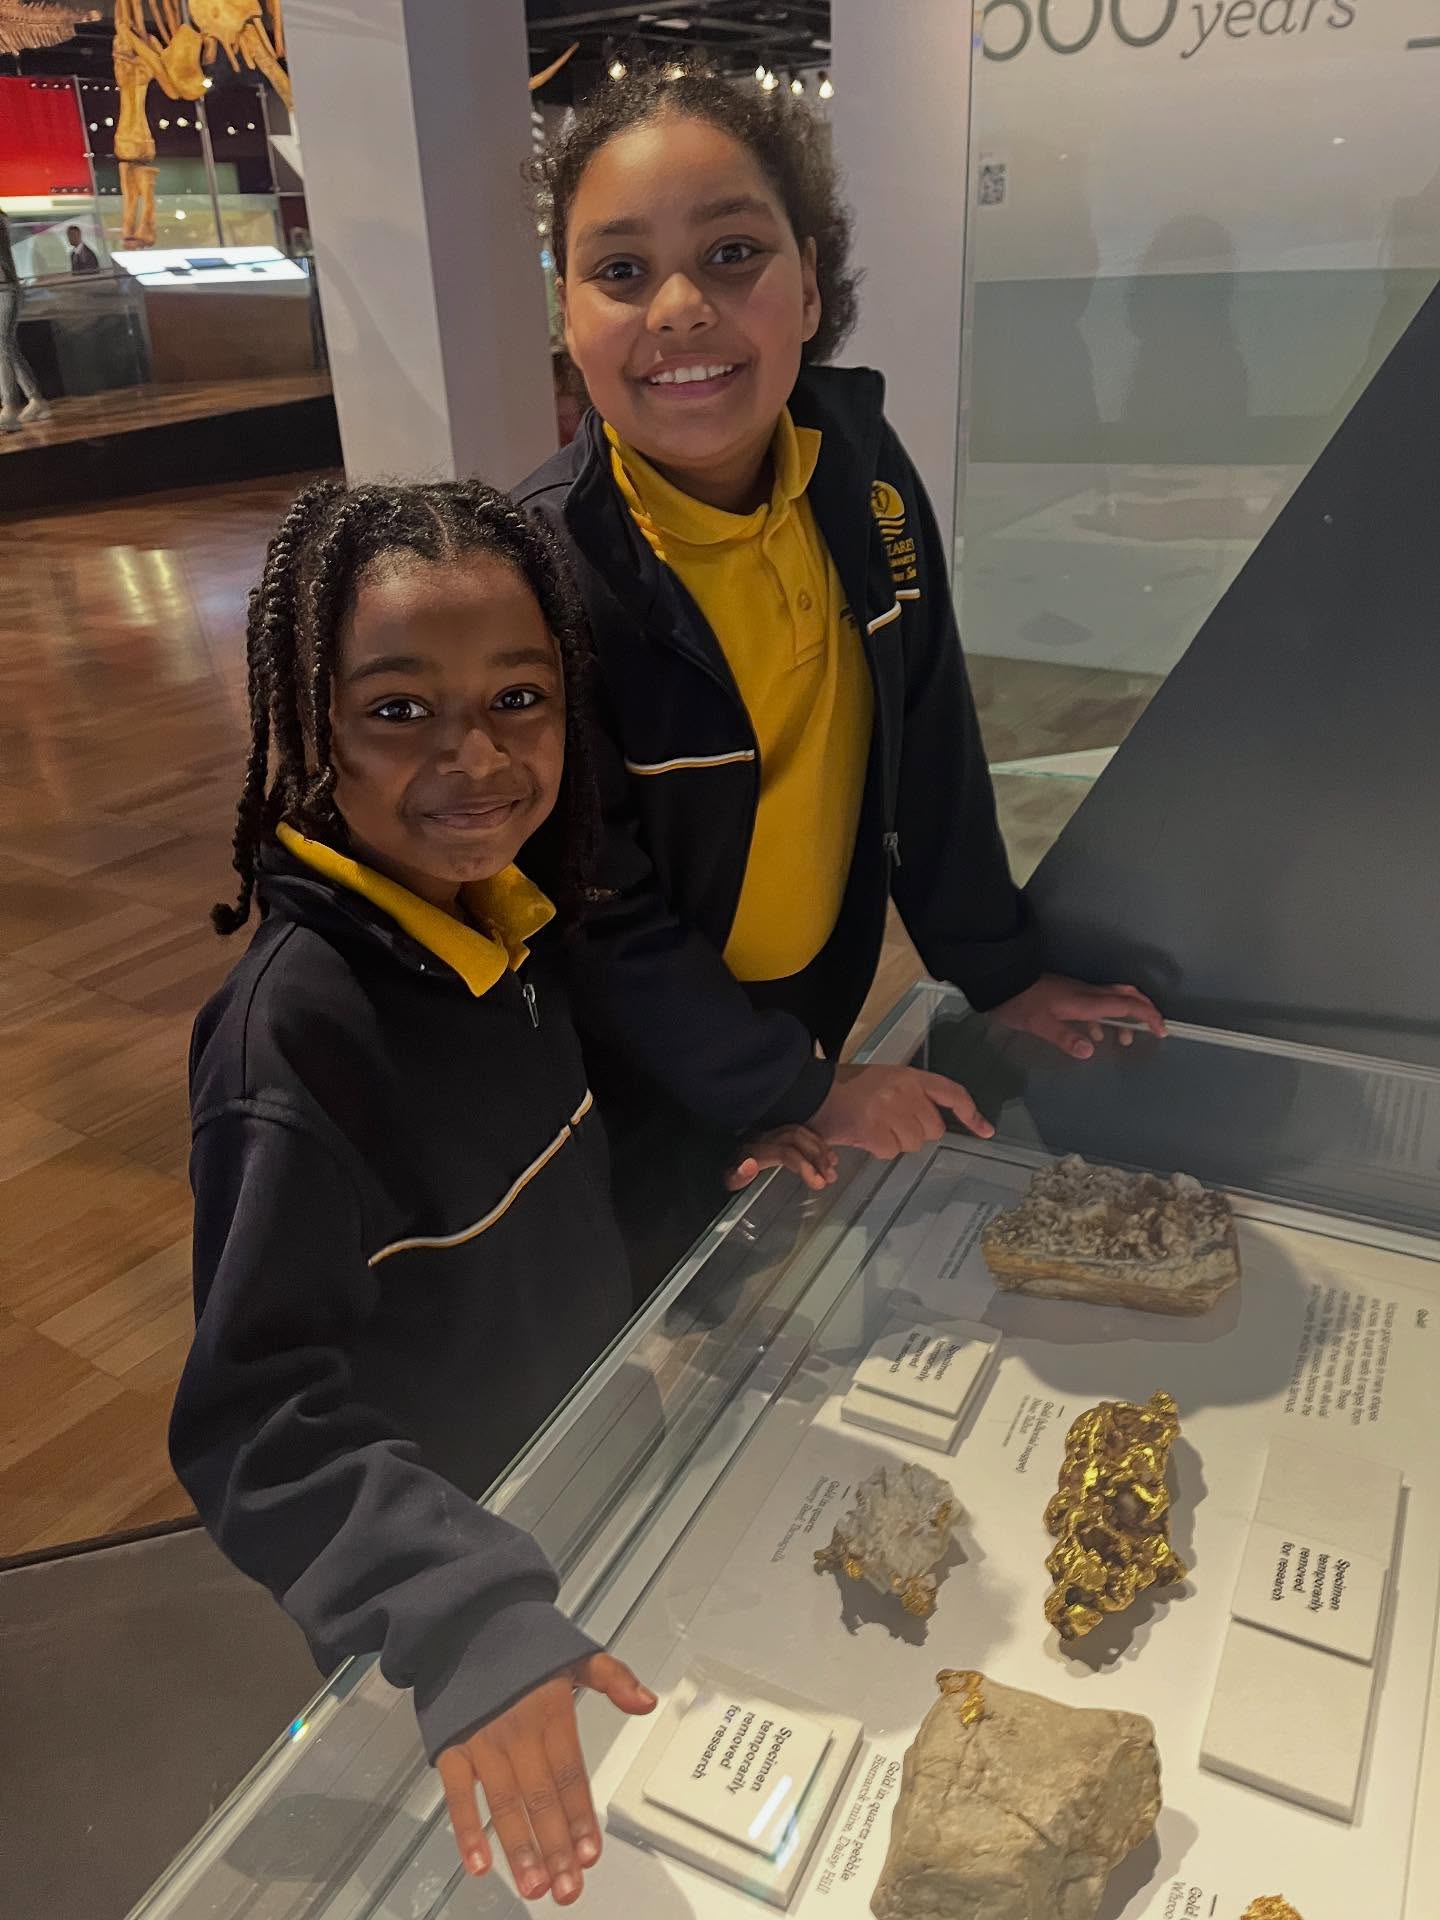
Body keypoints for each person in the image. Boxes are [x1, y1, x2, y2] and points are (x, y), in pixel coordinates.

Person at [171, 477, 835, 1905]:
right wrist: (459, 1615)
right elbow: (254, 1421)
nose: (476, 759)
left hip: (577, 1494)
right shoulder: (290, 1035)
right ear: (307, 726)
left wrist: (709, 1199)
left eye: (519, 699)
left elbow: (541, 1188)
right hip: (443, 1609)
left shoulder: (511, 923)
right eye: (399, 710)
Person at [517, 66, 1165, 1280]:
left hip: (809, 1000)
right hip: (626, 1063)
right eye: (618, 271)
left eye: (732, 253)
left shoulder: (863, 474)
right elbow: (597, 909)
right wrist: (793, 1085)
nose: (678, 308)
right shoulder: (539, 573)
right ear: (565, 313)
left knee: (763, 1267)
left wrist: (1002, 971)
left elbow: (927, 743)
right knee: (654, 1295)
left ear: (810, 282)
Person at [0, 207, 49, 431]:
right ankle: (35, 399)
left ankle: (10, 406)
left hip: (5, 290)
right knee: (7, 346)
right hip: (5, 289)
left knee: (3, 346)